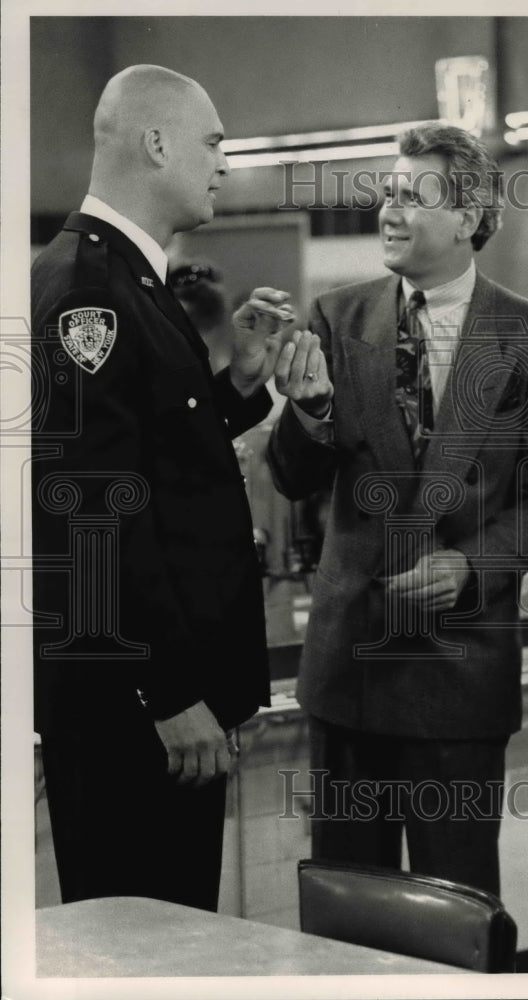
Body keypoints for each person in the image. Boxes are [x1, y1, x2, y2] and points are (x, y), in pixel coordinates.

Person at [261, 123, 528, 896]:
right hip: (350, 673)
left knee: (457, 908)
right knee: (345, 911)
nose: (390, 211)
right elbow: (292, 478)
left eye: (413, 195)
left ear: (470, 217)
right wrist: (305, 413)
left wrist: (470, 566)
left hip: (458, 673)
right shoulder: (336, 318)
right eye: (388, 193)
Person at [32, 64, 293, 910]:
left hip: (151, 703)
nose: (224, 162)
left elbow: (155, 460)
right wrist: (169, 693)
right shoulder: (90, 291)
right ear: (155, 142)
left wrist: (241, 382)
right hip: (135, 714)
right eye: (213, 142)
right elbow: (88, 513)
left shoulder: (127, 279)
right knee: (144, 945)